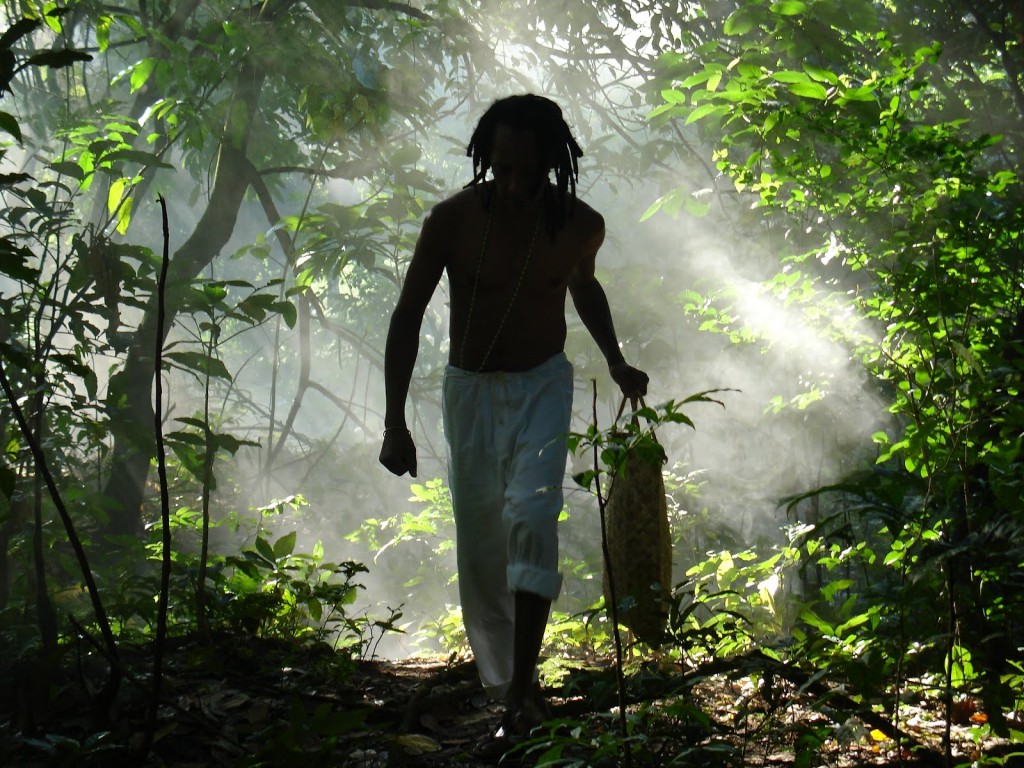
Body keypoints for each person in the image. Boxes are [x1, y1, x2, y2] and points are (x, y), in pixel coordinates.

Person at [379, 94, 648, 739]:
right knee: (481, 549)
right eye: (500, 169)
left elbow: (582, 285)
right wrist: (394, 422)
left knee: (532, 517)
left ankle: (520, 694)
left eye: (526, 171)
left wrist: (615, 359)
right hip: (469, 391)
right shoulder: (452, 221)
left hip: (542, 386)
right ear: (485, 160)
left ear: (552, 164)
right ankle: (506, 684)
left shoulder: (581, 224)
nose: (513, 183)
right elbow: (408, 315)